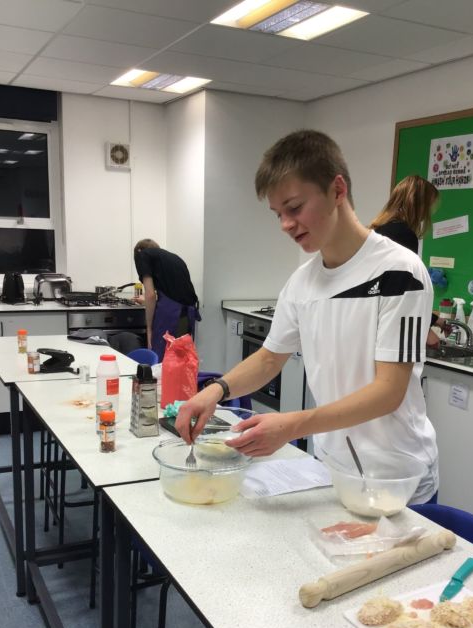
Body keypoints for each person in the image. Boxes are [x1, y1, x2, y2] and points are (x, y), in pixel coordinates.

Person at [176, 130, 438, 504]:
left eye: (295, 208)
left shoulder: (400, 272)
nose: (285, 223)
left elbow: (388, 392)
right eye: (278, 214)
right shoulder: (302, 283)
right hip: (334, 472)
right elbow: (270, 358)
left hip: (399, 479)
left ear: (337, 190)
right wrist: (214, 392)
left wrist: (292, 424)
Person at [370, 175, 446, 347]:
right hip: (383, 332)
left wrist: (434, 319)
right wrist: (425, 331)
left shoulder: (379, 231)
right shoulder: (403, 235)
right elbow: (400, 294)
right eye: (429, 207)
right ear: (418, 204)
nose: (427, 214)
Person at [133, 238, 200, 361]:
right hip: (187, 314)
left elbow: (150, 295)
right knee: (180, 357)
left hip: (170, 315)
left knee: (162, 358)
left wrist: (149, 329)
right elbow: (173, 292)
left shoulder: (142, 254)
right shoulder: (175, 258)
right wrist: (147, 301)